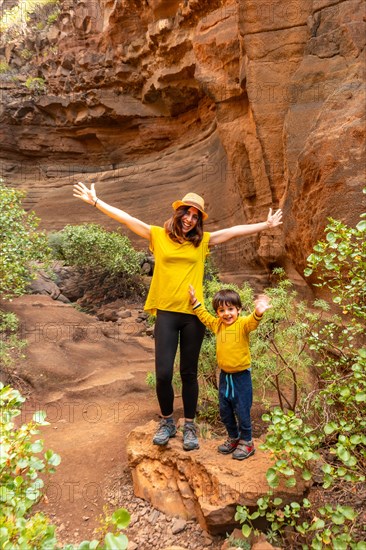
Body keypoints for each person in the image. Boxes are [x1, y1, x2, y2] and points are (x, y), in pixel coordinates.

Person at [73, 182, 282, 451]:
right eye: (187, 213)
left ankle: (190, 425)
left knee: (188, 373)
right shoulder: (158, 236)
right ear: (179, 212)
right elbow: (128, 219)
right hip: (167, 313)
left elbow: (230, 232)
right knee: (162, 373)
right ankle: (167, 421)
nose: (189, 219)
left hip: (193, 314)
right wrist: (96, 202)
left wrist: (264, 226)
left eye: (195, 217)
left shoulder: (202, 242)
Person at [188, 286, 271, 460]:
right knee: (225, 410)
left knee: (242, 410)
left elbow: (253, 322)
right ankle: (233, 438)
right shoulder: (217, 325)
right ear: (218, 312)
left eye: (231, 309)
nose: (227, 313)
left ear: (239, 310)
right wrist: (195, 302)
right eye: (221, 310)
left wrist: (259, 312)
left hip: (242, 377)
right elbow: (204, 316)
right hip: (225, 376)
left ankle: (247, 442)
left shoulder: (243, 324)